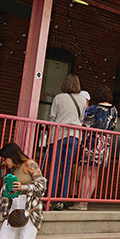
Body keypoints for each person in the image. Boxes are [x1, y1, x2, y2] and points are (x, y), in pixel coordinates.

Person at [71, 85, 118, 210]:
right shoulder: (114, 110)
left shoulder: (93, 108)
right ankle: (85, 201)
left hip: (91, 142)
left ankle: (81, 203)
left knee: (85, 174)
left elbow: (86, 125)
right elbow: (113, 126)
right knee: (94, 175)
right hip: (105, 144)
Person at [47, 74, 87, 210]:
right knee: (67, 169)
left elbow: (52, 117)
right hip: (74, 135)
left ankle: (49, 198)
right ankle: (61, 200)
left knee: (54, 167)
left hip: (58, 134)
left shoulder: (58, 97)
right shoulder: (82, 100)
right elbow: (81, 118)